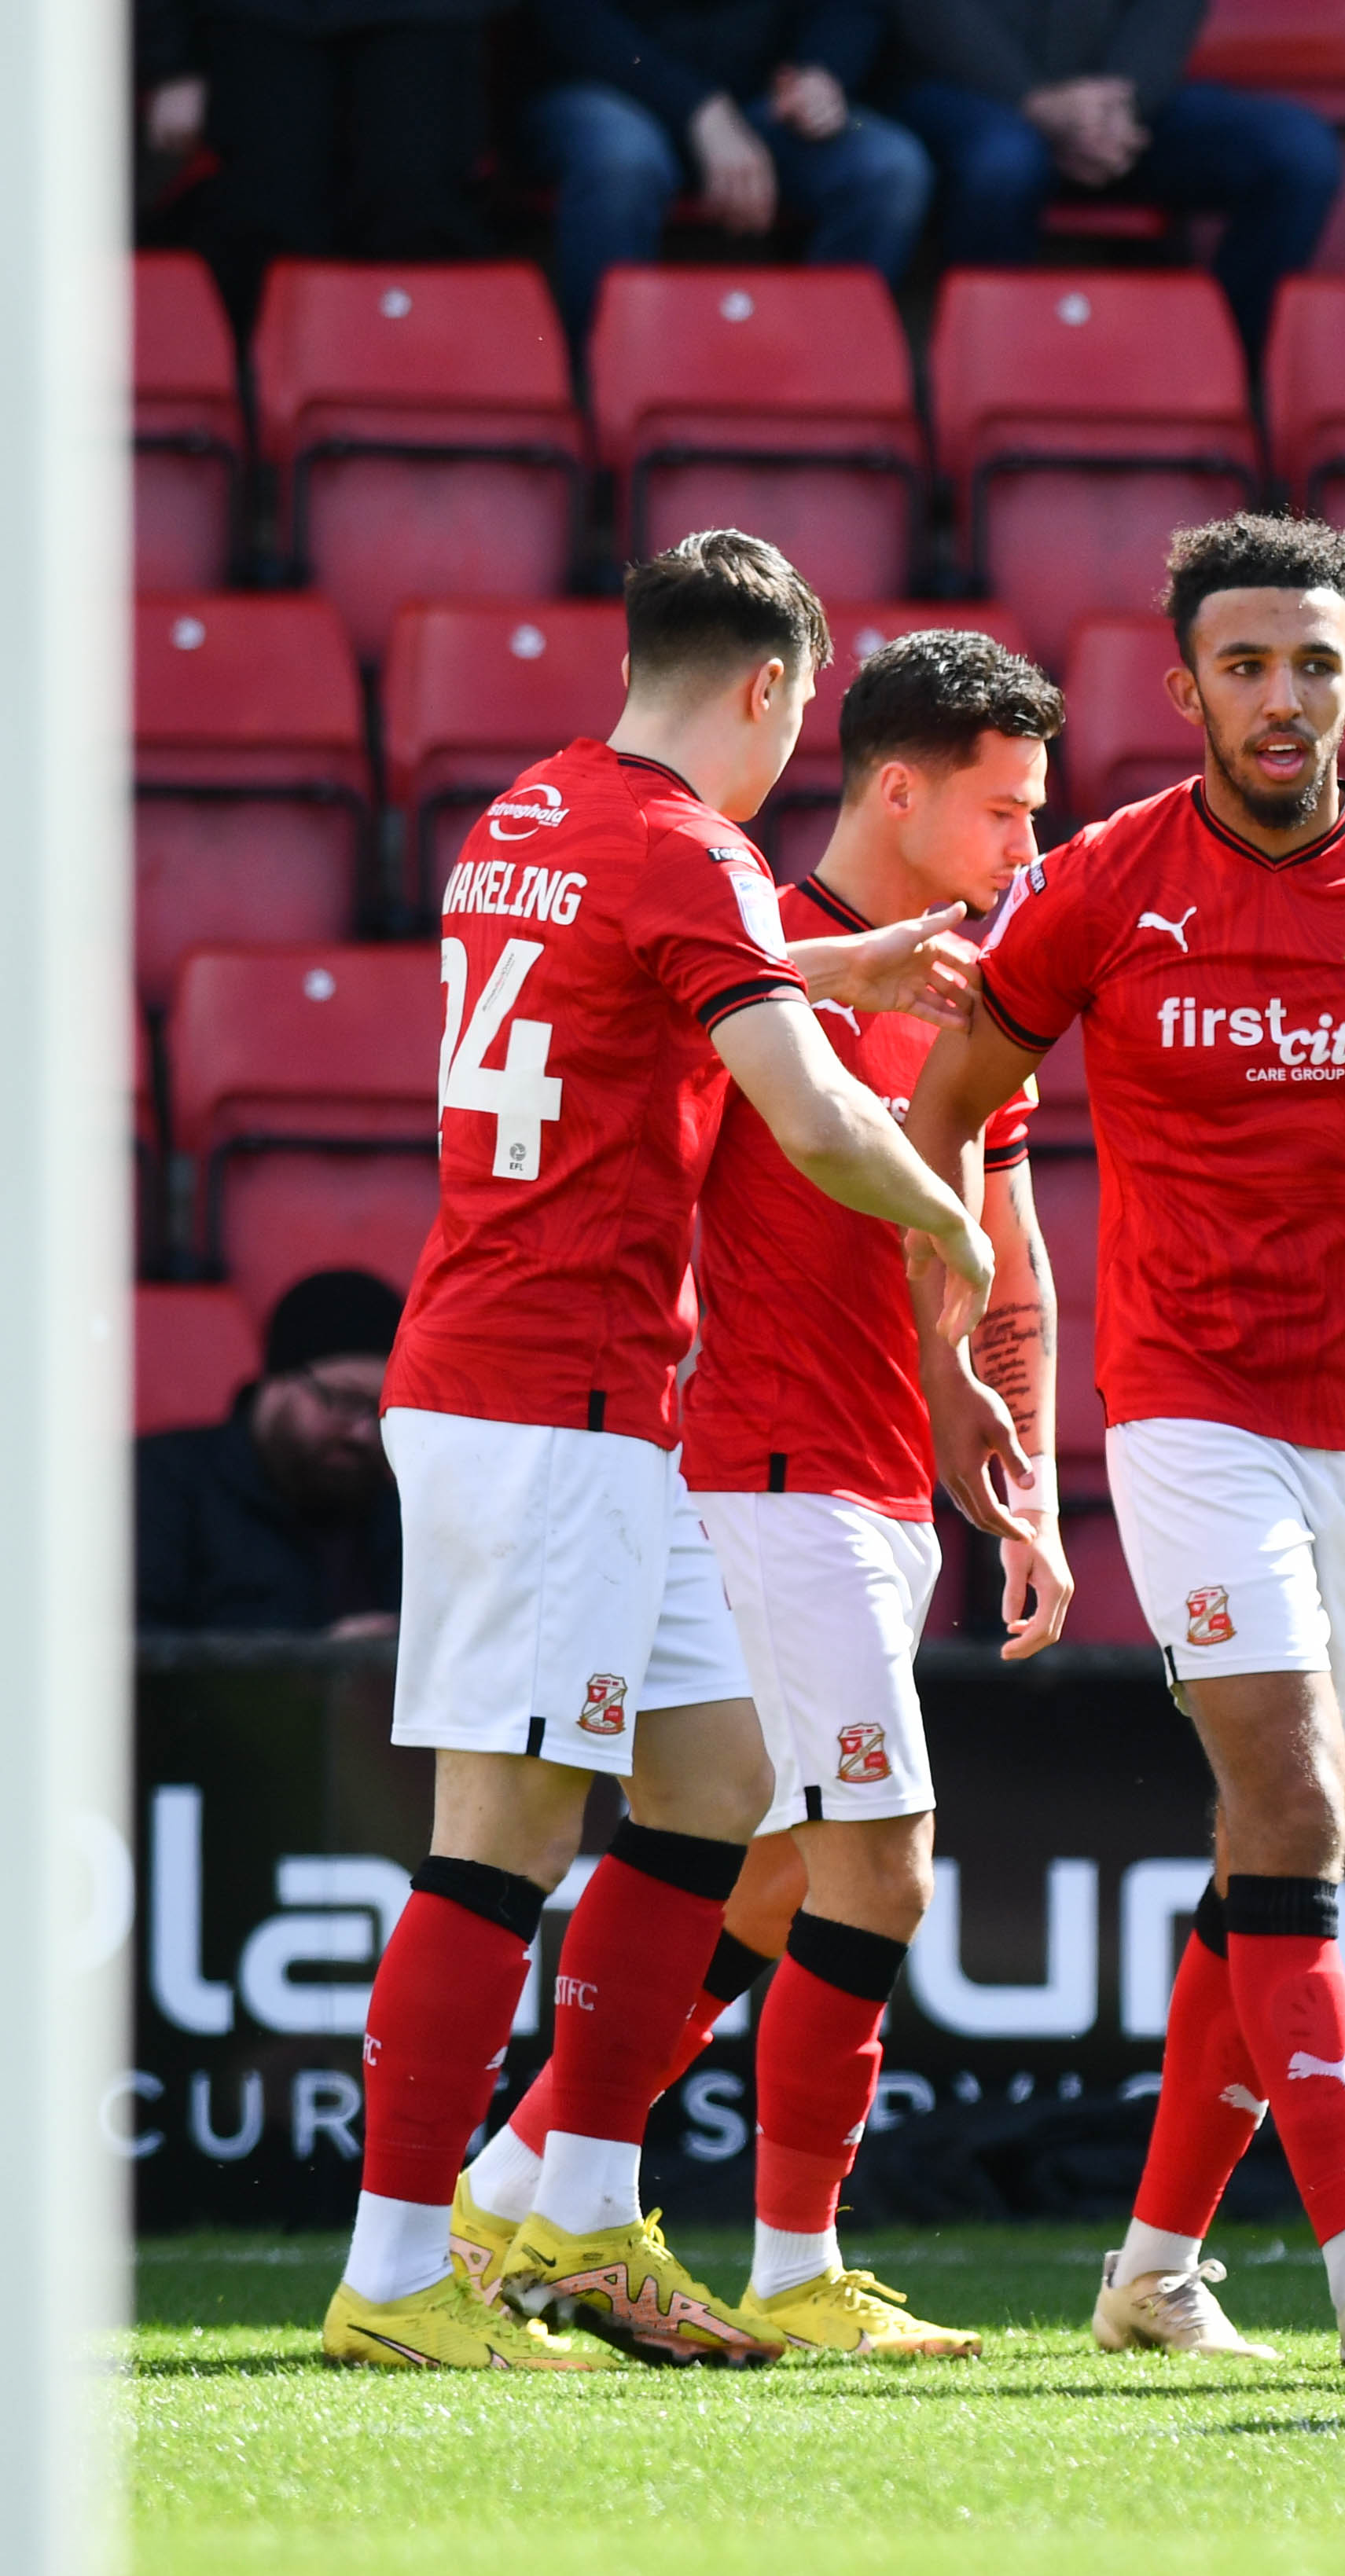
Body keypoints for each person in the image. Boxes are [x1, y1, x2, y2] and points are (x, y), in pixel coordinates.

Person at [898, 515, 1345, 2371]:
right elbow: (946, 1114)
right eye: (1245, 665)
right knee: (1286, 1803)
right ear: (1185, 681)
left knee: (1281, 1843)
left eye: (1313, 666)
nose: (1282, 700)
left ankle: (1149, 2266)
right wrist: (959, 1349)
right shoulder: (1105, 884)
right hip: (1188, 1404)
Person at [321, 533, 1000, 2372]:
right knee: (505, 1835)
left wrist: (832, 948)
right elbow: (805, 1109)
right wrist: (950, 1217)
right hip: (550, 1389)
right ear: (775, 691)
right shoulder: (686, 847)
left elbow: (661, 953)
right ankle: (396, 2274)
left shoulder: (531, 813)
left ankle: (589, 2209)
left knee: (719, 1780)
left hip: (593, 1396)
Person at [446, 629, 1080, 2363]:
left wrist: (1007, 1472)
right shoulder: (753, 956)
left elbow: (989, 1259)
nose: (1028, 850)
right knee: (881, 1872)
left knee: (783, 1872)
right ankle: (796, 2269)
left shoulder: (946, 991)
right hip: (761, 1475)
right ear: (896, 787)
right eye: (1006, 812)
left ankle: (523, 2173)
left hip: (874, 1476)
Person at [895, 0, 1344, 342]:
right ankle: (983, 374)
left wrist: (1116, 106)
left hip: (1122, 107)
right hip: (968, 95)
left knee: (1299, 153)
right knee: (1003, 164)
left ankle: (1221, 371)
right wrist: (1033, 102)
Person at [520, 0, 930, 334]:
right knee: (621, 163)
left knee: (890, 168)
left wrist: (822, 71)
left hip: (765, 98)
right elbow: (573, 19)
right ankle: (606, 391)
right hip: (610, 84)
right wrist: (697, 109)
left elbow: (854, 9)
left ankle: (822, 390)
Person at [172, 0, 499, 319]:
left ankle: (423, 356)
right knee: (266, 212)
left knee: (416, 205)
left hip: (425, 18)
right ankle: (260, 363)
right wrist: (170, 61)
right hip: (257, 19)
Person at [133, 1269, 405, 1635]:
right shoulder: (158, 1484)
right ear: (278, 1380)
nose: (364, 1433)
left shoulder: (393, 1506)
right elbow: (127, 1658)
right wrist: (319, 1670)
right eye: (345, 1400)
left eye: (383, 1412)